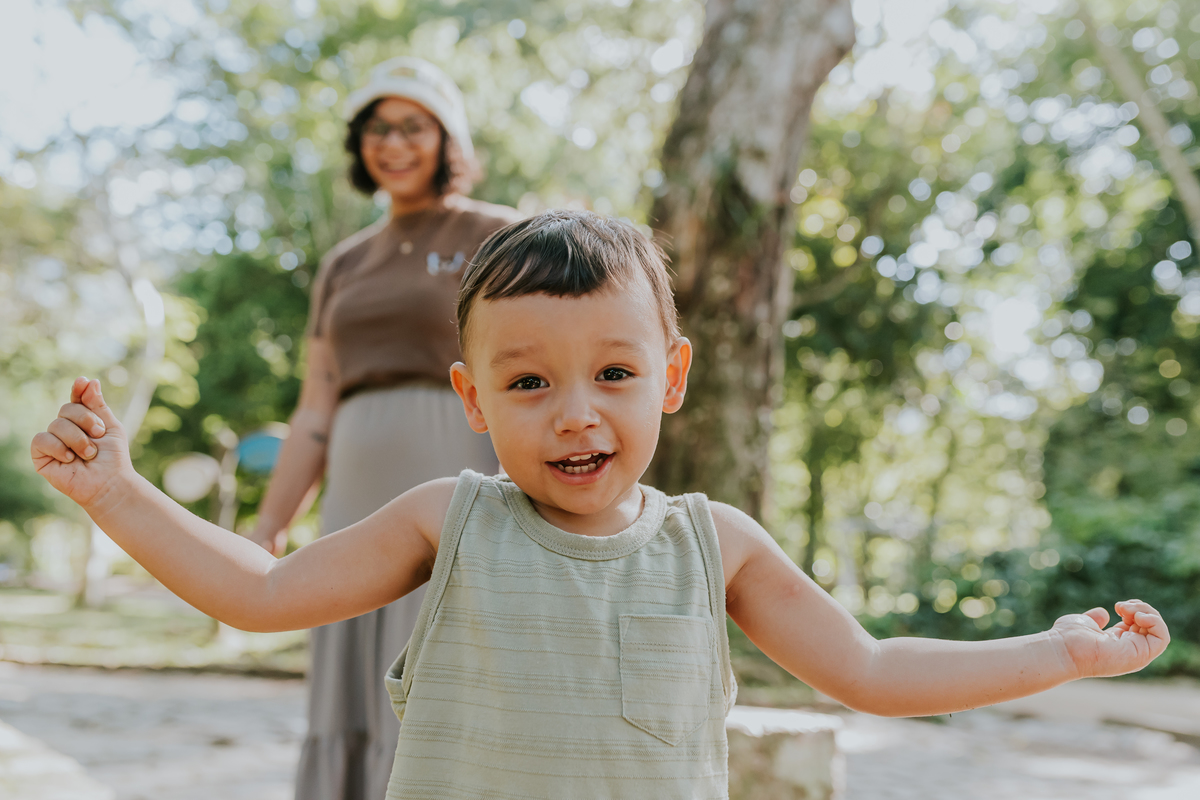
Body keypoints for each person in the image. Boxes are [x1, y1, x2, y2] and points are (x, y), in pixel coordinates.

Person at [33, 210, 1169, 799]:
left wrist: (1055, 652)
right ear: (474, 399)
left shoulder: (711, 542)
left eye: (613, 375)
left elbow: (871, 668)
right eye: (529, 382)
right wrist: (117, 491)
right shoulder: (451, 516)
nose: (575, 413)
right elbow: (263, 589)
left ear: (669, 376)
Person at [243, 57, 520, 799]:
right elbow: (315, 405)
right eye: (375, 128)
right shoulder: (342, 265)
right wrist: (268, 527)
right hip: (355, 480)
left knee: (440, 649)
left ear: (446, 137)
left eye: (411, 126)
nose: (391, 143)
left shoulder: (501, 235)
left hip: (464, 467)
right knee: (348, 641)